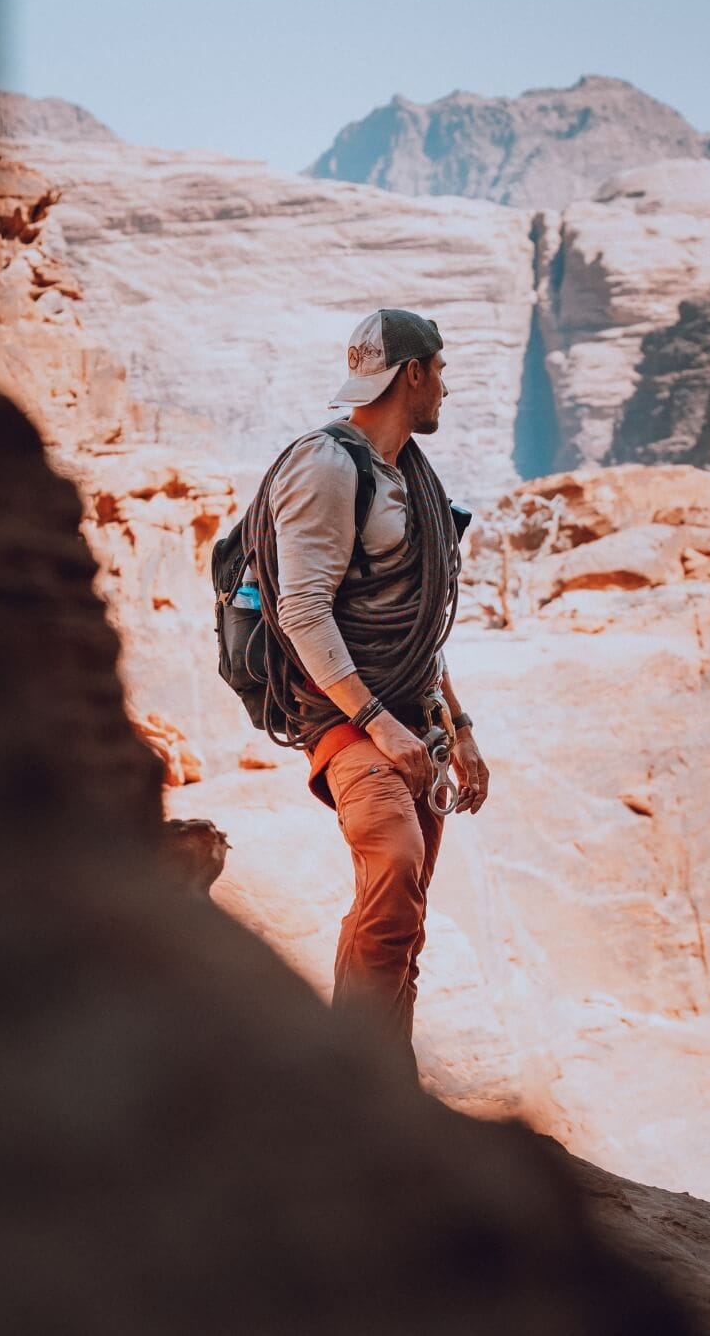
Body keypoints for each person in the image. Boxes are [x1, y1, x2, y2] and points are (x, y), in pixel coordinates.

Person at [271, 308, 490, 1081]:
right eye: (441, 372)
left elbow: (421, 621)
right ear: (414, 373)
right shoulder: (327, 468)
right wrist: (377, 723)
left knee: (401, 913)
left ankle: (380, 1082)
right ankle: (354, 1092)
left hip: (414, 720)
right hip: (345, 716)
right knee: (394, 867)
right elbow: (301, 610)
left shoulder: (408, 474)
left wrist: (457, 726)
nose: (447, 390)